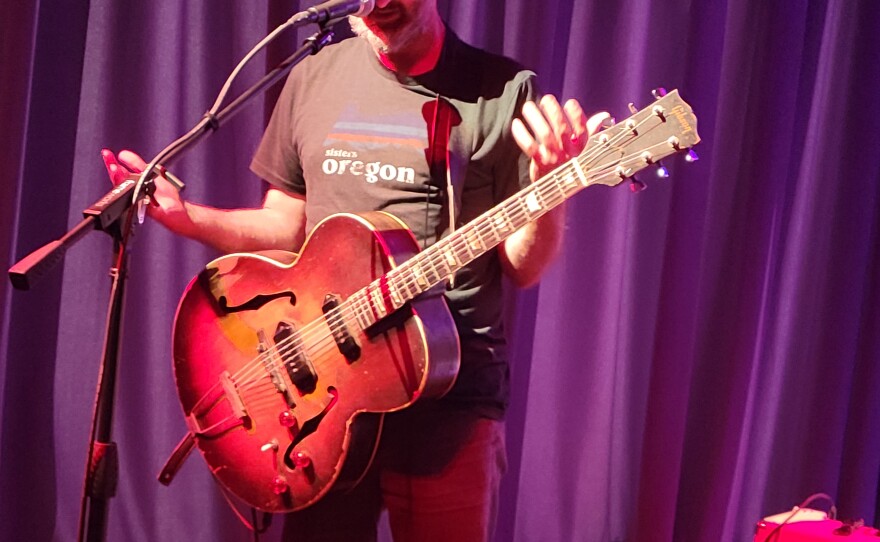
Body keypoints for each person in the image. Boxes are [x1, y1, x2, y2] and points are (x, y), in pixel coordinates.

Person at [104, 0, 607, 540]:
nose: (381, 3)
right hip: (322, 391)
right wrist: (188, 219)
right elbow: (285, 225)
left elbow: (522, 267)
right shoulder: (313, 76)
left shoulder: (502, 90)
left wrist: (551, 193)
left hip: (449, 393)